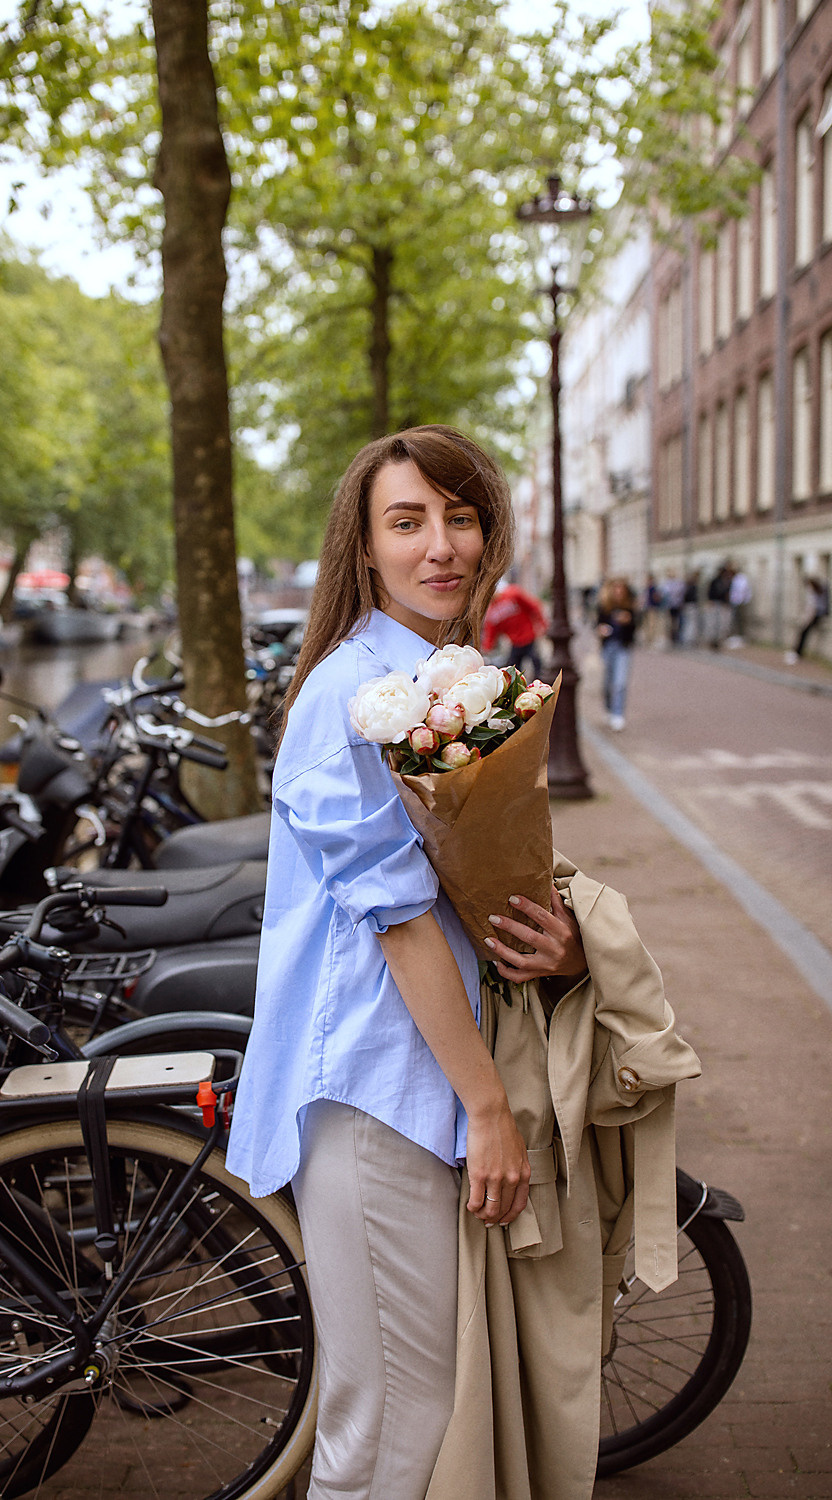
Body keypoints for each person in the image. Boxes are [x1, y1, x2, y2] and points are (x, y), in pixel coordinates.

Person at [225, 425, 588, 1498]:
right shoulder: (348, 701)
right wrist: (488, 1111)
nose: (442, 544)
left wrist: (547, 936)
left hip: (431, 1080)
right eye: (407, 521)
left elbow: (470, 890)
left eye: (461, 516)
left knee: (420, 1415)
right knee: (390, 1430)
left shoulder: (446, 682)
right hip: (376, 1093)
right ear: (364, 547)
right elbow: (396, 922)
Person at [480, 572, 548, 680]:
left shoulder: (513, 594)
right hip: (515, 642)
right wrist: (486, 650)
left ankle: (540, 685)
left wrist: (542, 624)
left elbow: (533, 606)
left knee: (537, 664)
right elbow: (491, 632)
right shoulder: (491, 612)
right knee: (514, 671)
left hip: (529, 636)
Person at [596, 576, 638, 731]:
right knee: (608, 682)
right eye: (616, 589)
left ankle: (618, 714)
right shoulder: (605, 607)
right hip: (608, 647)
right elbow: (598, 625)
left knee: (620, 682)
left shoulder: (630, 608)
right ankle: (608, 708)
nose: (619, 592)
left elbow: (635, 627)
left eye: (622, 589)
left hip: (623, 647)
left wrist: (628, 621)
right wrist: (602, 630)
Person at [785, 575, 829, 663]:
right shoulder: (822, 589)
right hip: (817, 614)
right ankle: (796, 652)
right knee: (803, 632)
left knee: (803, 632)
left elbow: (813, 608)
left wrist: (806, 620)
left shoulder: (817, 591)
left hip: (816, 615)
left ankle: (797, 652)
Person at [726, 564, 752, 646]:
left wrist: (742, 600)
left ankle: (740, 636)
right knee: (734, 620)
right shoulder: (734, 579)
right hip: (734, 602)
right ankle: (735, 636)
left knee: (739, 620)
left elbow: (742, 590)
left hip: (739, 602)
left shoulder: (741, 578)